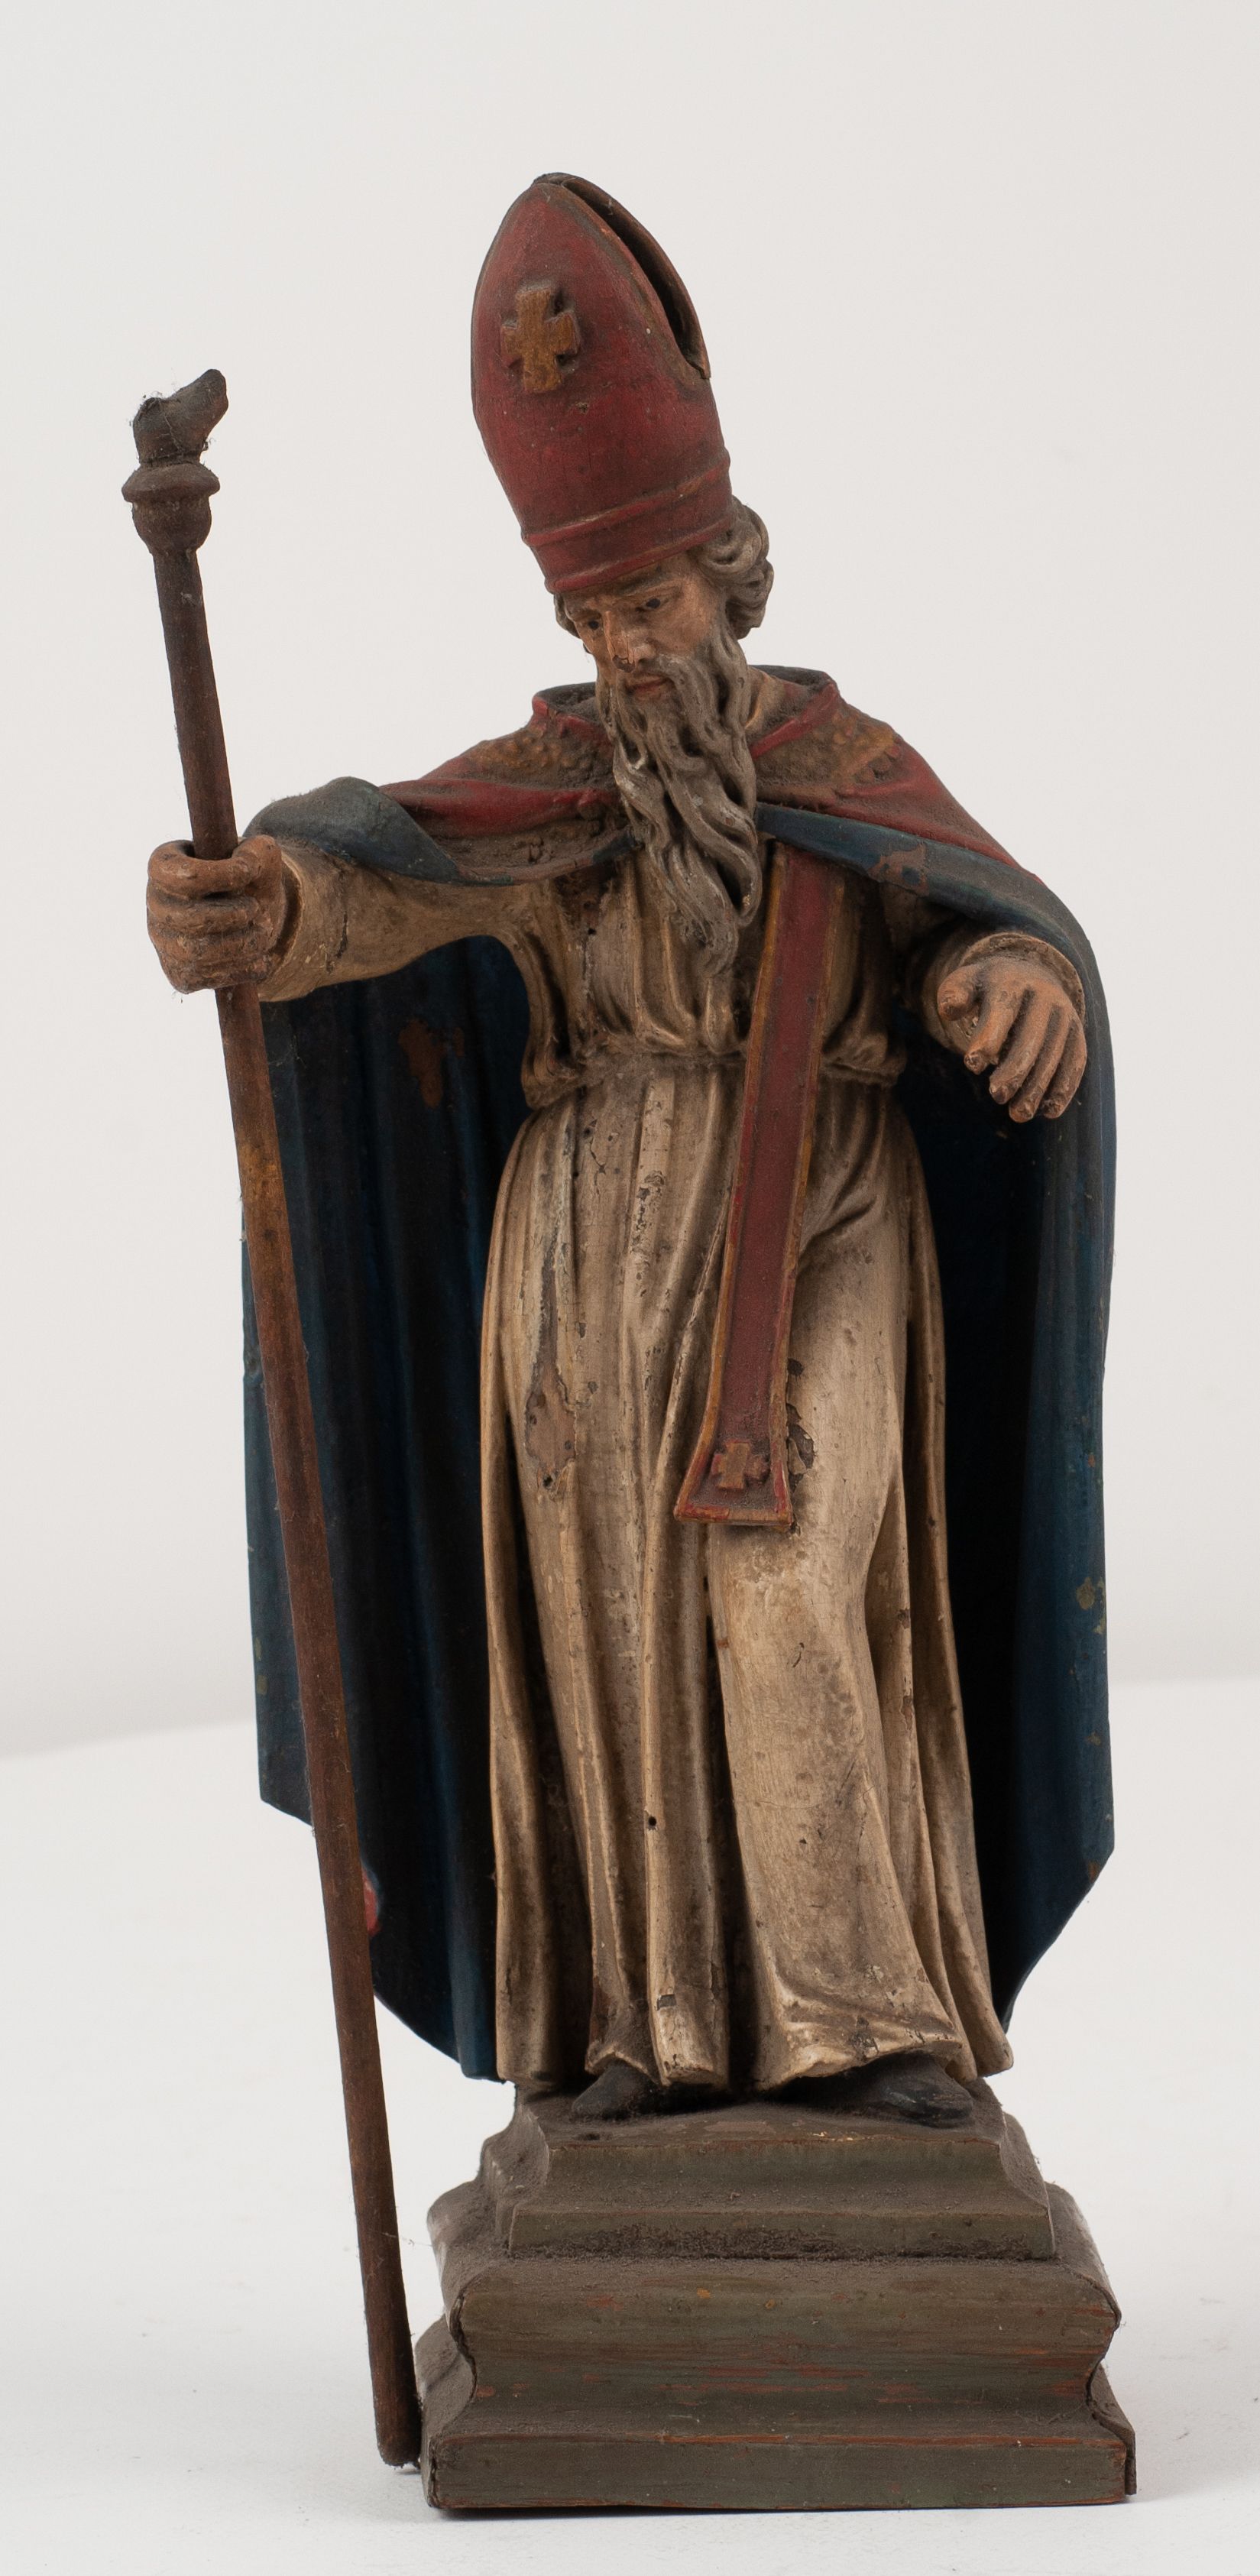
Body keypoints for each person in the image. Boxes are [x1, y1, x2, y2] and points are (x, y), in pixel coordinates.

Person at [146, 177, 1110, 2130]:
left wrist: (1014, 982)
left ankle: (874, 2026)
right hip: (587, 1241)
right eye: (593, 618)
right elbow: (378, 884)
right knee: (603, 1629)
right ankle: (629, 2034)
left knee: (794, 1583)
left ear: (729, 581)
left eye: (653, 605)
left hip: (821, 1204)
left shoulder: (842, 767)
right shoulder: (558, 781)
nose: (626, 649)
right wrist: (255, 906)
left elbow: (966, 921)